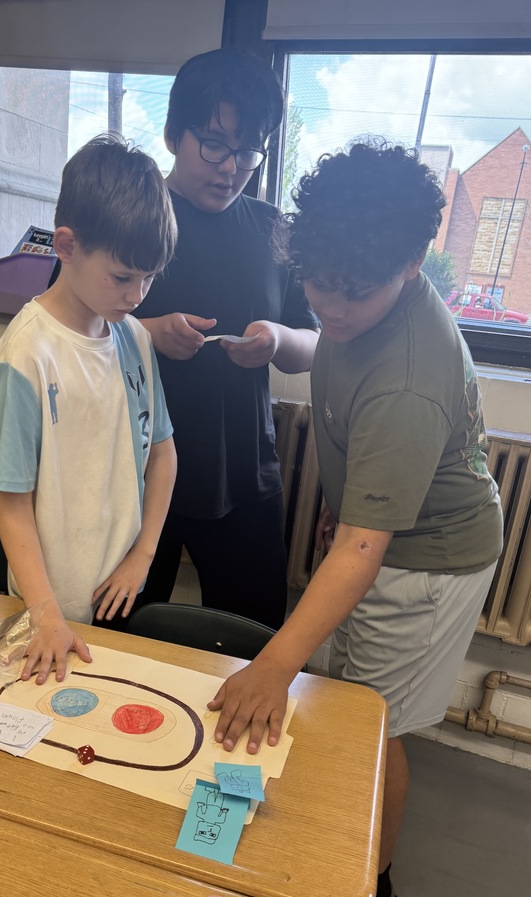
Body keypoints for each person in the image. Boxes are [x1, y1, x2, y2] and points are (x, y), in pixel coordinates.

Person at [209, 140, 503, 897]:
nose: (331, 309)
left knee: (376, 721)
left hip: (427, 561)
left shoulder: (411, 378)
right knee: (345, 700)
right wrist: (284, 339)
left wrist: (274, 665)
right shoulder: (358, 296)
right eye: (316, 289)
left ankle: (370, 892)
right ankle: (329, 835)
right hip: (383, 535)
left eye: (353, 296)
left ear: (413, 264)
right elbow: (335, 344)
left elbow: (365, 551)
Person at [134, 48, 320, 630]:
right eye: (213, 144)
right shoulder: (129, 218)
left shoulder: (271, 230)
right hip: (133, 474)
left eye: (248, 150)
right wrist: (149, 334)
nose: (230, 167)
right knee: (117, 635)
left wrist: (277, 339)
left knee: (252, 643)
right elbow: (63, 327)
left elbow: (316, 344)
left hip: (242, 476)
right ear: (172, 134)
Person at [0, 135, 178, 684]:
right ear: (66, 246)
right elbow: (12, 504)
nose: (138, 294)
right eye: (123, 277)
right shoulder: (27, 354)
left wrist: (142, 556)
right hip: (43, 606)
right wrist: (46, 614)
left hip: (120, 592)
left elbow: (162, 456)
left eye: (149, 277)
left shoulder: (134, 338)